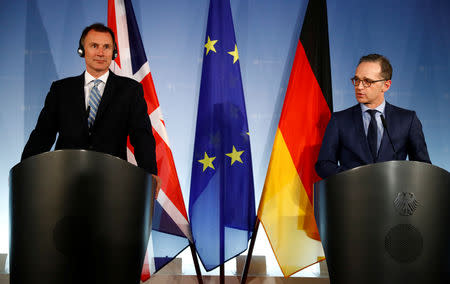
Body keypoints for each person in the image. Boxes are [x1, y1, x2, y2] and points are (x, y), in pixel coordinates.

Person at [22, 23, 159, 183]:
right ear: (82, 50)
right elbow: (43, 134)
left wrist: (150, 173)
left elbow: (142, 136)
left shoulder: (130, 90)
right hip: (64, 182)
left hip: (112, 182)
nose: (101, 53)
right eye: (94, 46)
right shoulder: (61, 89)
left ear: (114, 52)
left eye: (106, 47)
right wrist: (25, 169)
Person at [315, 54, 431, 179]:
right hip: (353, 194)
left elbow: (423, 167)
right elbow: (324, 164)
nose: (359, 87)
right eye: (357, 80)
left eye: (367, 81)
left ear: (386, 85)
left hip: (393, 196)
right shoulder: (339, 120)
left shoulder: (408, 120)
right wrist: (353, 177)